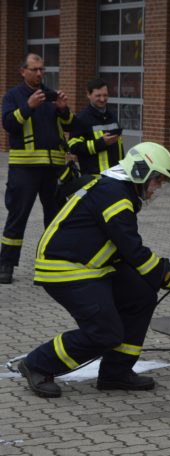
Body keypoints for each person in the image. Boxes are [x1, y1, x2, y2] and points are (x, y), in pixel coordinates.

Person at [17, 142, 170, 398]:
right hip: (66, 269)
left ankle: (116, 372)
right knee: (105, 333)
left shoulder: (116, 190)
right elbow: (134, 252)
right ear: (141, 173)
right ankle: (37, 364)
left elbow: (125, 250)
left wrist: (164, 277)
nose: (158, 187)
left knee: (141, 296)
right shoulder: (115, 196)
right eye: (158, 180)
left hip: (93, 265)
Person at [0, 53, 74, 284]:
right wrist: (28, 107)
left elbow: (71, 125)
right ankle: (6, 265)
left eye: (42, 69)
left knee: (55, 219)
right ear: (23, 71)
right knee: (17, 217)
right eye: (35, 69)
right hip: (25, 168)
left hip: (53, 169)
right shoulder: (13, 95)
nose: (40, 73)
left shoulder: (51, 96)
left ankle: (52, 264)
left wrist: (63, 109)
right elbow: (8, 124)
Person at [68, 78, 123, 175]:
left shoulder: (112, 116)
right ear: (88, 95)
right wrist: (101, 143)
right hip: (94, 178)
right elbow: (74, 147)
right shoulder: (81, 119)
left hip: (116, 176)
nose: (102, 99)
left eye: (105, 95)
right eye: (98, 96)